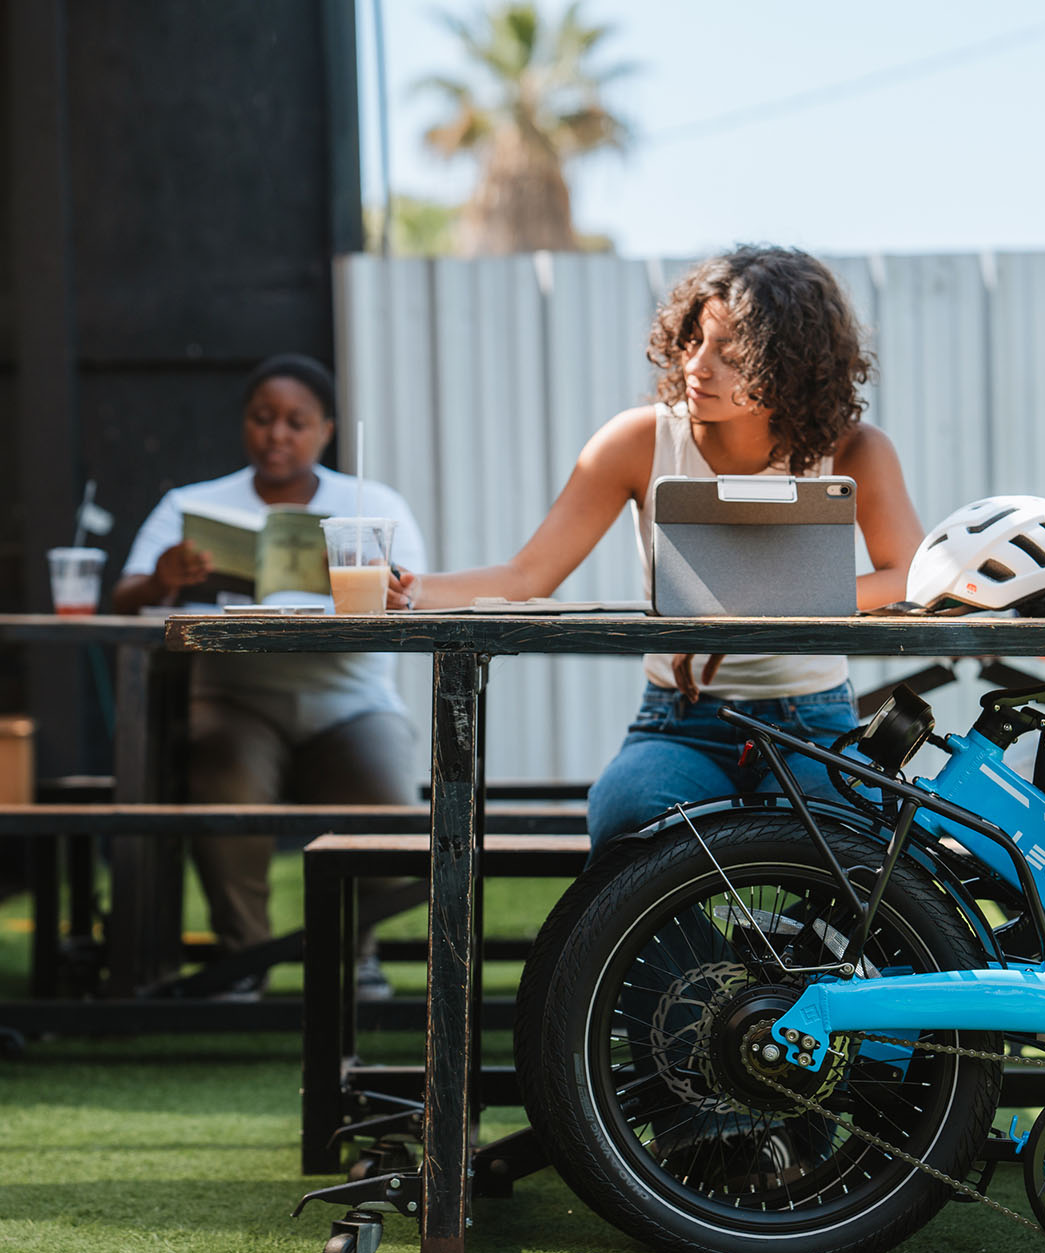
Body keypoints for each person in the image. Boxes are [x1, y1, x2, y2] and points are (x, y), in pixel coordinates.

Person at [387, 245, 926, 847]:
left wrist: (754, 606)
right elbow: (527, 576)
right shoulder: (638, 441)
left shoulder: (856, 449)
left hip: (813, 720)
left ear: (791, 363)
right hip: (679, 721)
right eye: (693, 340)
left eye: (728, 352)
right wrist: (412, 590)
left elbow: (911, 576)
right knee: (628, 813)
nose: (697, 366)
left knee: (856, 840)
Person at [113, 353, 429, 998]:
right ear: (243, 424)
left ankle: (355, 953)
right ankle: (244, 960)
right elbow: (122, 600)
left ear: (326, 430)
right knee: (222, 783)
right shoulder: (191, 506)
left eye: (296, 421)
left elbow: (415, 601)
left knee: (390, 816)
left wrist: (386, 590)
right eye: (262, 418)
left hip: (351, 700)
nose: (277, 434)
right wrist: (161, 580)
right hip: (235, 698)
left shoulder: (372, 505)